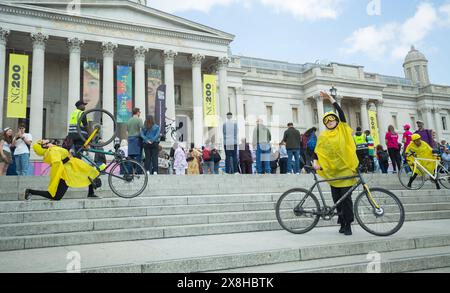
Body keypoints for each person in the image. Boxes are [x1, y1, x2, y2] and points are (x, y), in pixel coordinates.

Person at [312, 91, 359, 236]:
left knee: (346, 199)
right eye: (328, 121)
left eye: (332, 119)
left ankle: (349, 224)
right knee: (337, 200)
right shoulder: (323, 136)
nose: (330, 122)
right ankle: (342, 222)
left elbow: (341, 112)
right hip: (332, 172)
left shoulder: (343, 129)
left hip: (346, 170)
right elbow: (317, 152)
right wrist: (315, 162)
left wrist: (330, 98)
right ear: (325, 123)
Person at [24, 140, 101, 200]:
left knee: (89, 172)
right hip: (65, 173)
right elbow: (58, 163)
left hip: (72, 167)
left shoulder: (53, 149)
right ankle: (30, 191)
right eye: (45, 142)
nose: (47, 141)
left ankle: (91, 193)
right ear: (44, 146)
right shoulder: (52, 151)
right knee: (55, 197)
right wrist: (69, 156)